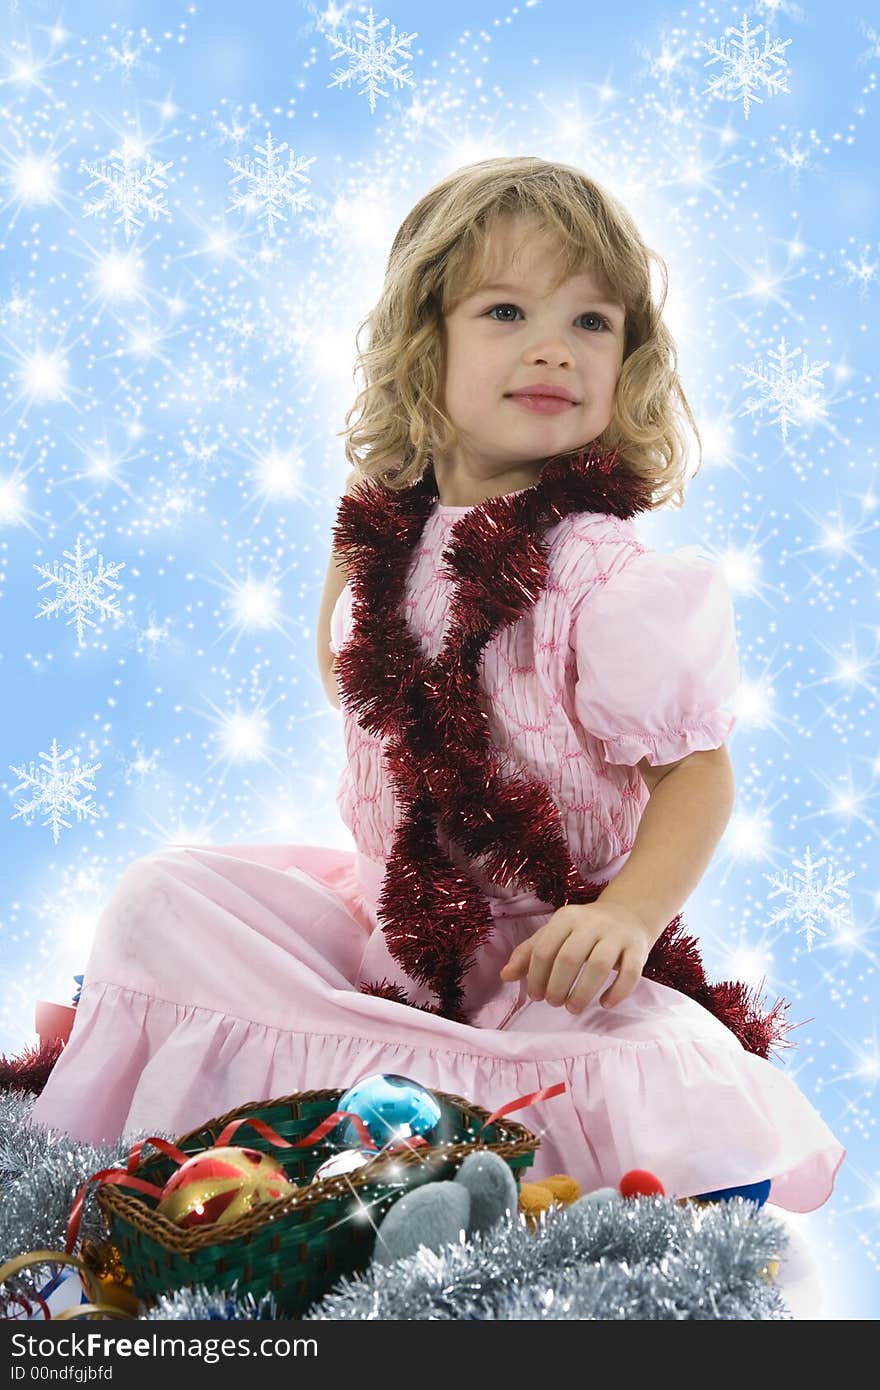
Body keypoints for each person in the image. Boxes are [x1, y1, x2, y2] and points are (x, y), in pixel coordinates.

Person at [29, 157, 845, 1216]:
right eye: (506, 310)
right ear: (429, 341)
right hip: (387, 917)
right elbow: (361, 698)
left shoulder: (609, 577)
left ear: (629, 361)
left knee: (645, 1059)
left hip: (535, 954)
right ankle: (345, 1104)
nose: (553, 346)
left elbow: (698, 773)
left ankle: (450, 1152)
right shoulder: (382, 531)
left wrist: (629, 920)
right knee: (165, 896)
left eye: (592, 322)